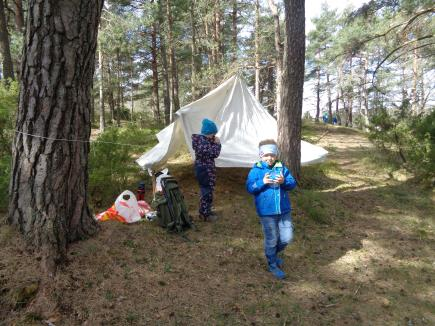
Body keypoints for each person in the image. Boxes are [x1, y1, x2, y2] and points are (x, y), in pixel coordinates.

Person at [246, 139, 297, 279]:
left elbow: (292, 184)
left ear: (276, 155)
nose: (269, 158)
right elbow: (250, 188)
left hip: (284, 210)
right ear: (261, 155)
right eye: (266, 155)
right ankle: (272, 264)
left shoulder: (282, 168)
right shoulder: (256, 170)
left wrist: (284, 181)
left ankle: (272, 254)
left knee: (287, 237)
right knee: (272, 238)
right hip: (266, 213)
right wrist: (262, 182)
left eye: (272, 155)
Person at [192, 118, 222, 222]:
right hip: (204, 170)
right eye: (213, 134)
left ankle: (207, 210)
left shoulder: (203, 141)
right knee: (206, 191)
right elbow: (214, 153)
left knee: (208, 190)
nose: (213, 136)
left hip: (205, 169)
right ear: (208, 133)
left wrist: (213, 142)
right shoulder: (203, 144)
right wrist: (217, 144)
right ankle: (205, 214)